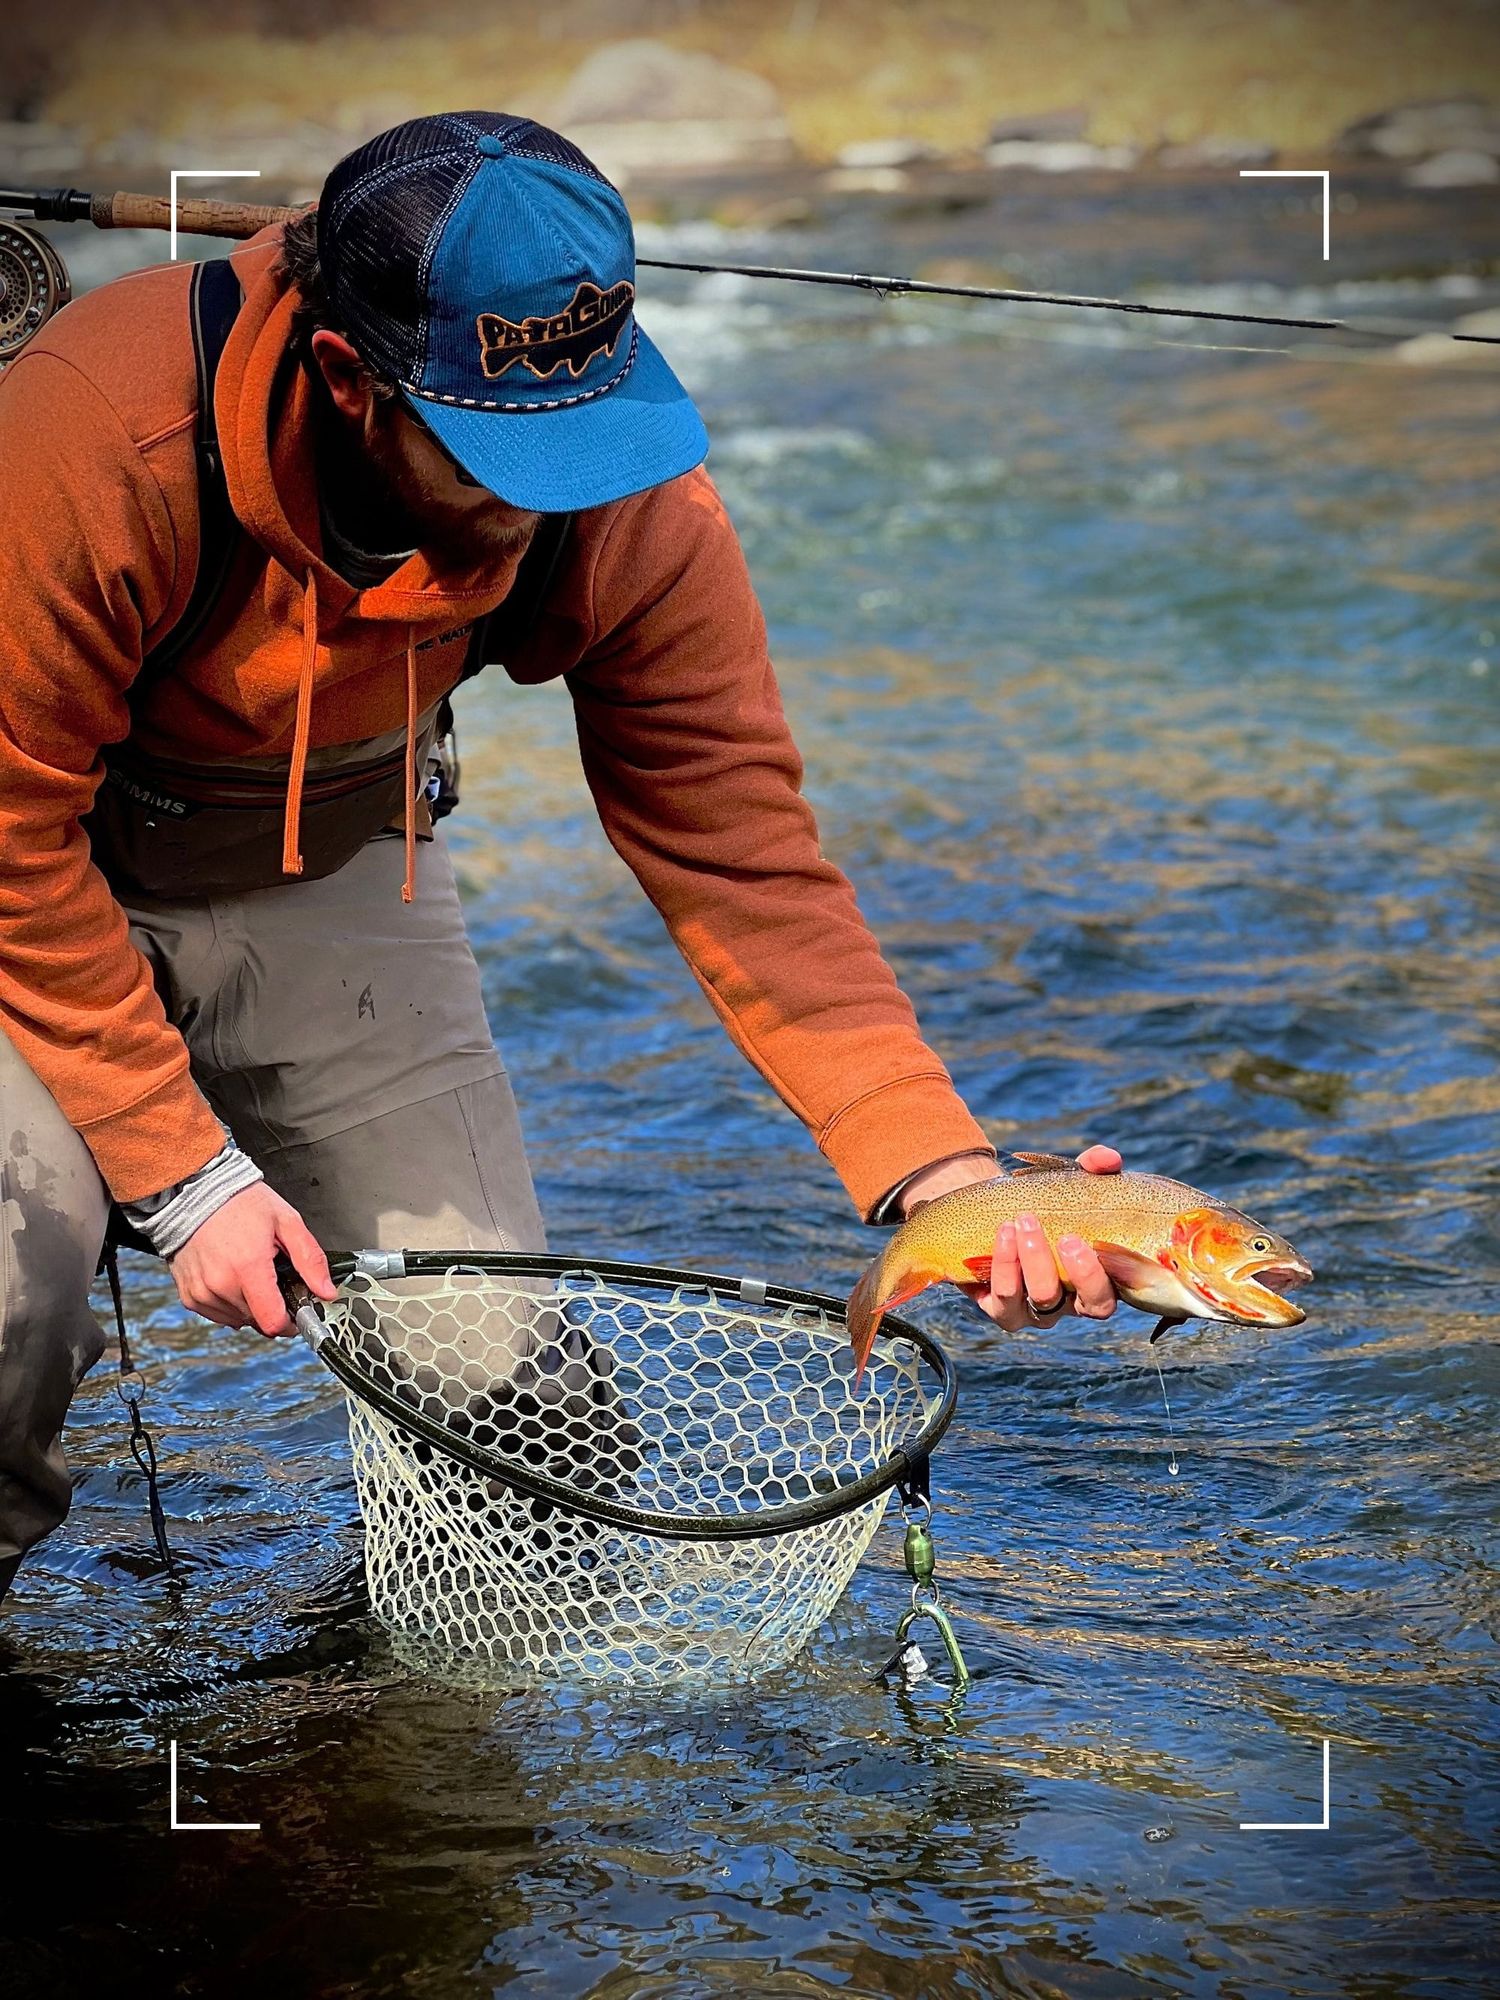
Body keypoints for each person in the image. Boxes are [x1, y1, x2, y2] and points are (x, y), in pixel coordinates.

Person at [0, 110, 1122, 1605]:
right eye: (496, 455)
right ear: (347, 381)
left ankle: (414, 1784)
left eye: (582, 441)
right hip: (31, 874)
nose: (561, 495)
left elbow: (737, 841)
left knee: (516, 1405)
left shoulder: (623, 484)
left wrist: (943, 1175)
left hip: (328, 870)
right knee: (11, 1298)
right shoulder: (98, 431)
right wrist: (183, 1177)